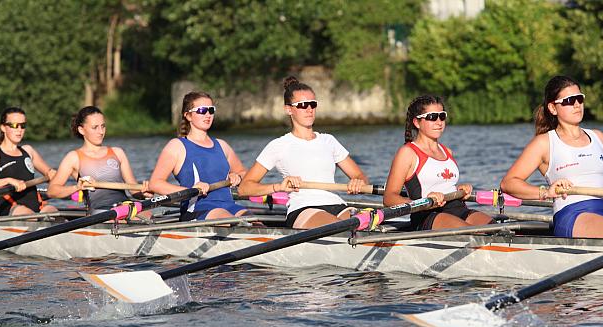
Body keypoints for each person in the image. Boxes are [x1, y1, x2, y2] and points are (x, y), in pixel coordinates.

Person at [238, 76, 369, 229]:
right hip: (304, 209)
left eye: (312, 104)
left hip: (338, 205)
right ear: (288, 109)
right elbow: (244, 188)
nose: (309, 109)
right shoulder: (278, 145)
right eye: (302, 105)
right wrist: (278, 187)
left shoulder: (329, 141)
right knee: (346, 228)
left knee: (367, 227)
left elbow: (361, 177)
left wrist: (358, 181)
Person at [500, 75, 603, 238]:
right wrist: (546, 192)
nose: (577, 105)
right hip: (572, 215)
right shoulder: (544, 143)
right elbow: (508, 183)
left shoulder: (598, 137)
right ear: (553, 108)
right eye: (569, 101)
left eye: (579, 98)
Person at [383, 95, 493, 230]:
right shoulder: (407, 153)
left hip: (458, 208)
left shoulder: (447, 151)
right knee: (472, 233)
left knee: (496, 230)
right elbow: (389, 198)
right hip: (427, 214)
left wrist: (460, 189)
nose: (439, 122)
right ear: (417, 123)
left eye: (442, 116)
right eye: (432, 117)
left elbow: (443, 184)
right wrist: (423, 202)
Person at [149, 91, 248, 221]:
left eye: (211, 110)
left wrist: (238, 176)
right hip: (198, 209)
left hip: (229, 206)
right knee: (230, 221)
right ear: (188, 116)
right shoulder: (176, 146)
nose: (208, 115)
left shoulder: (222, 146)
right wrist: (190, 190)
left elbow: (245, 173)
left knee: (255, 222)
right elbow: (155, 183)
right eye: (202, 110)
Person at [47, 106, 149, 215]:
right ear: (81, 130)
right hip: (101, 212)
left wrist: (144, 193)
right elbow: (52, 191)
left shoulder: (118, 152)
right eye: (95, 127)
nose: (101, 132)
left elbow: (133, 189)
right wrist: (77, 187)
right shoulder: (73, 157)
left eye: (103, 126)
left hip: (126, 207)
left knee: (148, 215)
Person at [0, 107, 57, 216]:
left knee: (52, 209)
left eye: (23, 125)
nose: (19, 129)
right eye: (14, 125)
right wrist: (8, 181)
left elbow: (50, 174)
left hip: (38, 208)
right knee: (25, 213)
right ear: (3, 127)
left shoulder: (28, 151)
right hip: (12, 210)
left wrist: (53, 174)